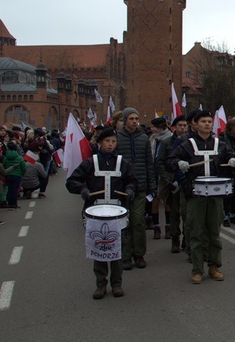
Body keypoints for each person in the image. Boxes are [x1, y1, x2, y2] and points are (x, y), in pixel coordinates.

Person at [167, 110, 235, 284]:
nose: (207, 124)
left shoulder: (220, 144)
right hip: (195, 195)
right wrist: (179, 163)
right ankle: (197, 269)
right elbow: (170, 161)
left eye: (209, 121)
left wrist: (234, 161)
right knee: (196, 232)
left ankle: (214, 266)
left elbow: (233, 157)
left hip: (216, 194)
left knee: (214, 232)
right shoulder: (188, 144)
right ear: (195, 124)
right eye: (203, 121)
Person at [65, 128, 138, 299]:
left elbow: (133, 181)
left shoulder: (123, 163)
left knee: (116, 250)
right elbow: (71, 182)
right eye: (107, 141)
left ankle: (117, 284)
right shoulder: (90, 163)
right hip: (95, 212)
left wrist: (130, 189)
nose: (111, 145)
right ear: (100, 143)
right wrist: (82, 189)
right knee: (99, 249)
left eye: (113, 141)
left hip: (117, 212)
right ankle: (100, 284)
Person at [117, 107, 156, 270]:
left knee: (138, 222)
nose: (134, 121)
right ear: (125, 120)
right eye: (131, 118)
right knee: (124, 223)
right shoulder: (117, 138)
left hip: (140, 186)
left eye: (136, 118)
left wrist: (152, 185)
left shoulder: (143, 138)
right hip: (121, 188)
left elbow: (149, 163)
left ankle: (139, 254)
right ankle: (125, 256)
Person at [166, 115, 189, 252]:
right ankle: (175, 238)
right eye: (180, 125)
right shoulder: (166, 142)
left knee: (186, 212)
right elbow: (161, 162)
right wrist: (167, 180)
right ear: (174, 127)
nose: (182, 128)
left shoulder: (189, 141)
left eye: (185, 125)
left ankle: (187, 238)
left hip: (184, 180)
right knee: (174, 212)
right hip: (171, 181)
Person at [150, 117, 173, 240]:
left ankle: (168, 227)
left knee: (167, 201)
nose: (152, 129)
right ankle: (156, 227)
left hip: (165, 174)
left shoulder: (170, 138)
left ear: (162, 128)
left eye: (155, 127)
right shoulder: (153, 139)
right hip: (154, 172)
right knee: (155, 200)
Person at [219, 119, 235, 227]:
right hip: (225, 169)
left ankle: (233, 214)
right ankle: (225, 215)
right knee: (226, 193)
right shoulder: (222, 139)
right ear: (231, 127)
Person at [2, 141, 26, 210]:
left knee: (9, 190)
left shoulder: (5, 158)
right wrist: (22, 174)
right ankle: (14, 204)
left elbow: (3, 166)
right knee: (15, 190)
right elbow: (23, 167)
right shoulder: (19, 158)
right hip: (17, 175)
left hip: (8, 175)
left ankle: (10, 203)